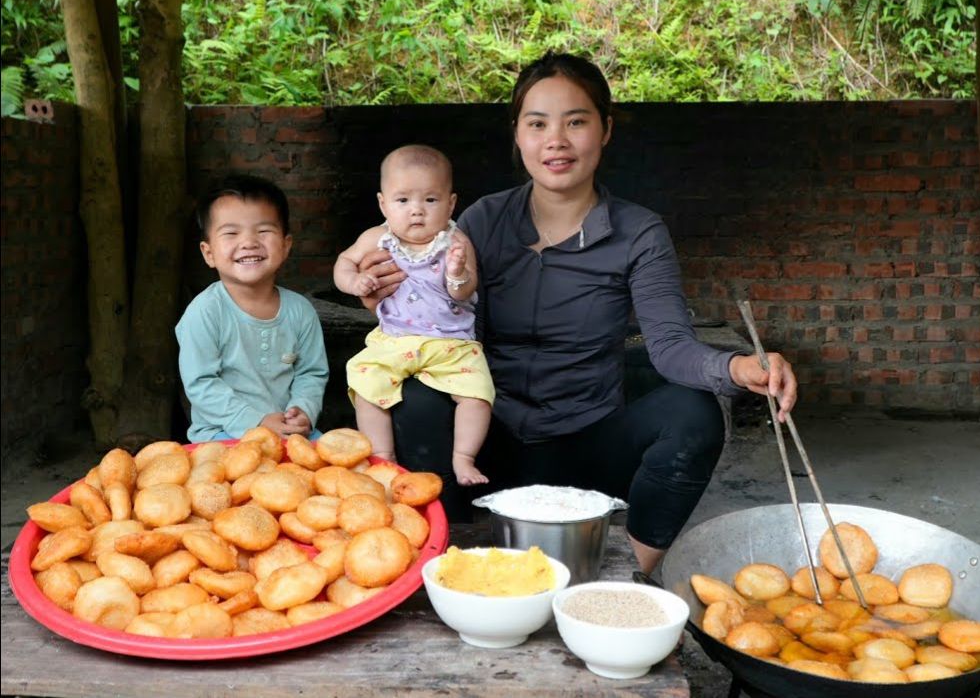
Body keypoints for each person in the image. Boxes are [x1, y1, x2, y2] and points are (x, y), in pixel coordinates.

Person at [358, 51, 798, 573]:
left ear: (605, 130)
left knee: (694, 413)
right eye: (537, 123)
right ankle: (445, 556)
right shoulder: (482, 219)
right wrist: (378, 291)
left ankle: (628, 573)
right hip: (485, 442)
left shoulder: (639, 232)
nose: (556, 140)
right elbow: (432, 308)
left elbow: (671, 347)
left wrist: (737, 367)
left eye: (576, 121)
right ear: (518, 135)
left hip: (591, 444)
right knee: (416, 399)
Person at [333, 145, 494, 484]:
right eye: (403, 200)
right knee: (365, 383)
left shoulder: (456, 242)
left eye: (430, 201)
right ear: (383, 204)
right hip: (394, 340)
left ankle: (463, 459)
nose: (417, 211)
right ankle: (383, 457)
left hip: (450, 344)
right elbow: (343, 262)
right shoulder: (377, 238)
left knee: (478, 394)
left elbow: (465, 290)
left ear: (450, 204)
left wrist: (457, 272)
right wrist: (354, 282)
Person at [176, 174, 329, 442]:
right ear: (208, 253)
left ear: (285, 245)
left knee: (332, 468)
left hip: (288, 431)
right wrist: (256, 422)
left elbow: (311, 372)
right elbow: (201, 384)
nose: (249, 242)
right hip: (222, 434)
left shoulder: (300, 311)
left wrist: (303, 411)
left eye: (263, 231)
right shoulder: (205, 313)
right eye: (231, 233)